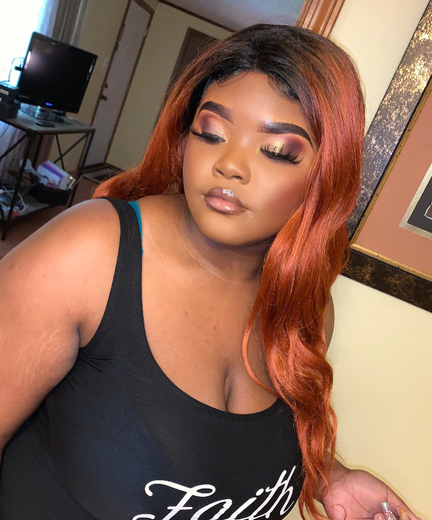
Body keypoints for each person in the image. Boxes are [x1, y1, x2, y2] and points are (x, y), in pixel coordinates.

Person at [0, 23, 421, 520]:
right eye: (211, 133)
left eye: (277, 151)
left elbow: (233, 455)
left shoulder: (306, 306)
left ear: (325, 177)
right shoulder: (91, 254)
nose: (229, 164)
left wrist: (331, 475)